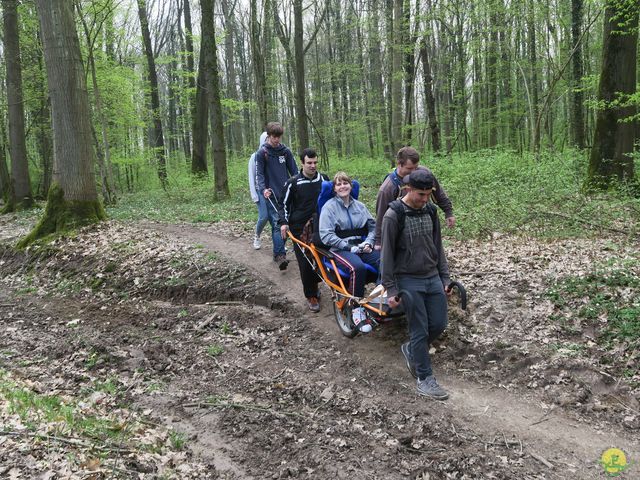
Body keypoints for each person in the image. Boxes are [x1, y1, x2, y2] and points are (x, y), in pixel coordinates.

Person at [381, 169, 452, 400]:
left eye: (429, 195)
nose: (425, 200)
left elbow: (437, 246)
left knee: (439, 323)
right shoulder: (394, 216)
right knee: (419, 328)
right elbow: (387, 255)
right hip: (407, 279)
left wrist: (445, 277)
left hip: (431, 276)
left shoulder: (430, 211)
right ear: (408, 189)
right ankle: (424, 378)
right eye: (421, 195)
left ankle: (412, 349)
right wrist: (390, 288)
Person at [319, 172, 380, 333]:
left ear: (351, 186)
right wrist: (348, 247)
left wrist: (369, 242)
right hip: (340, 249)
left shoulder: (360, 206)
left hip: (362, 245)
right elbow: (326, 235)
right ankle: (356, 309)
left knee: (385, 261)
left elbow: (373, 227)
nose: (342, 186)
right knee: (356, 267)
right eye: (338, 184)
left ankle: (381, 300)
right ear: (334, 189)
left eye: (345, 183)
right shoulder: (329, 208)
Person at [278, 148, 329, 312]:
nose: (313, 166)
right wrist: (284, 223)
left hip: (321, 226)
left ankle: (318, 285)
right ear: (302, 163)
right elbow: (283, 205)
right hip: (299, 228)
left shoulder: (324, 180)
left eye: (315, 162)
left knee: (323, 260)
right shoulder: (292, 183)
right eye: (309, 163)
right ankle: (311, 295)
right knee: (305, 262)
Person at [374, 146, 455, 249]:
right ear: (399, 164)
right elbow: (381, 215)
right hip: (402, 234)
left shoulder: (424, 173)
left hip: (425, 226)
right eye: (409, 168)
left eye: (416, 167)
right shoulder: (388, 188)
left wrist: (448, 212)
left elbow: (438, 193)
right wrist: (379, 241)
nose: (413, 172)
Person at [255, 122, 298, 270]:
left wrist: (299, 185)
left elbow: (295, 171)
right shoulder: (262, 153)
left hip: (286, 193)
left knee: (287, 223)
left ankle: (277, 251)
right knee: (277, 224)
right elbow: (259, 174)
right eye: (274, 137)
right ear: (268, 136)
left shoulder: (285, 152)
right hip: (271, 195)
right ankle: (280, 256)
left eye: (279, 137)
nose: (277, 140)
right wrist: (263, 189)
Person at [248, 131, 268, 249]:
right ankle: (257, 236)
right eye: (266, 139)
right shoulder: (254, 156)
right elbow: (251, 176)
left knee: (275, 218)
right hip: (259, 191)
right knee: (264, 216)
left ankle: (279, 243)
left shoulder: (273, 155)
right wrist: (254, 195)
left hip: (272, 190)